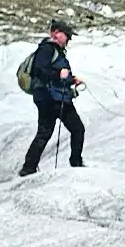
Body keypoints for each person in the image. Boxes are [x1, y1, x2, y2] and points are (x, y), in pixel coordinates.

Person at [19, 19, 85, 176]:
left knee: (45, 133)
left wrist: (71, 79)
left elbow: (52, 73)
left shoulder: (49, 50)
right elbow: (41, 71)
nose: (68, 39)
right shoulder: (48, 49)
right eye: (66, 35)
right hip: (53, 98)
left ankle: (29, 168)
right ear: (56, 33)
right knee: (77, 129)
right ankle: (75, 163)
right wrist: (60, 75)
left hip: (50, 97)